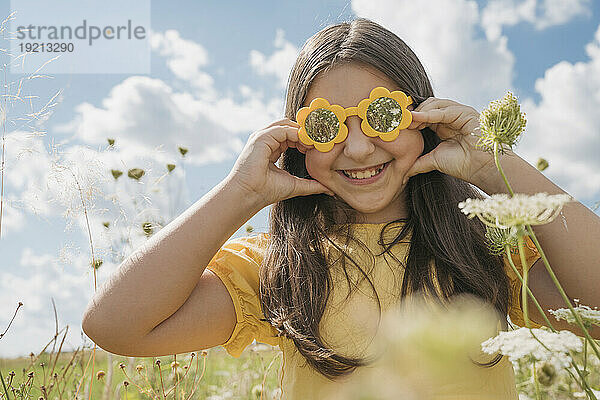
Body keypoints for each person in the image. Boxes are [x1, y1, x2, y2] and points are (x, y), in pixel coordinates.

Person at [82, 18, 600, 399]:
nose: (356, 149)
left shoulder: (482, 245)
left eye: (381, 115)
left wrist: (494, 166)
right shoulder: (280, 268)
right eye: (326, 127)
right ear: (296, 141)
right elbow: (114, 325)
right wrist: (242, 191)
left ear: (424, 119)